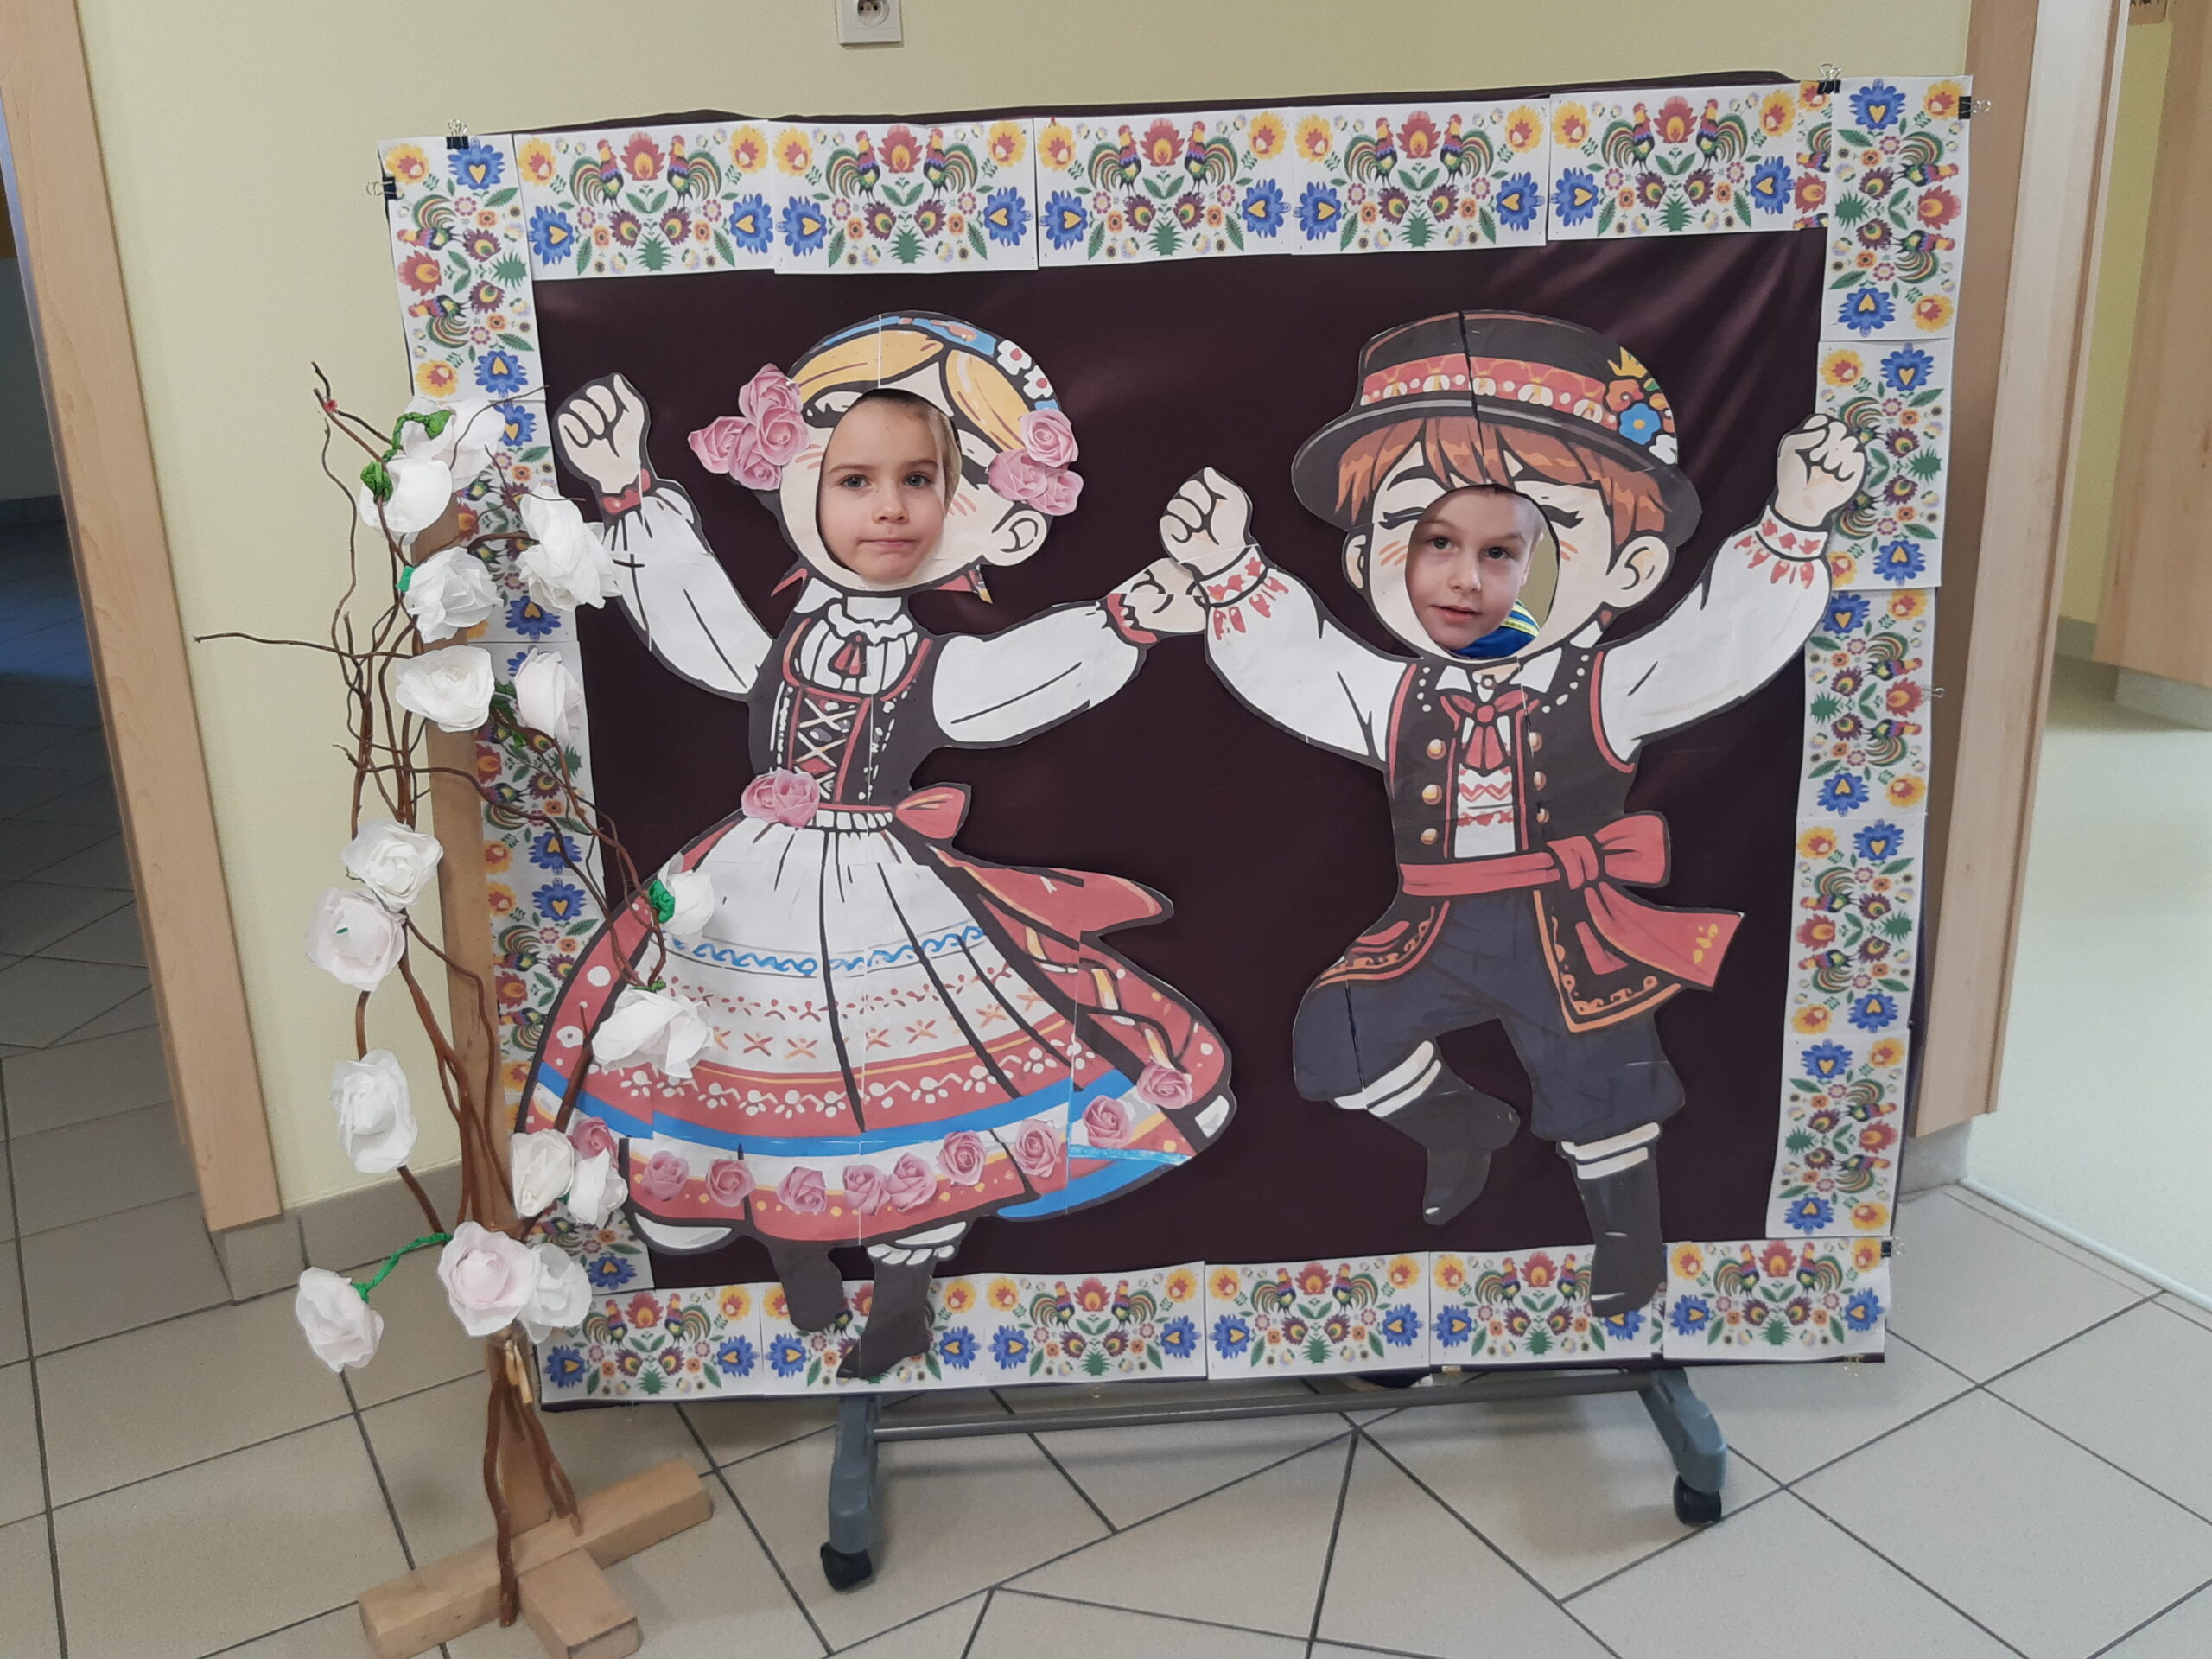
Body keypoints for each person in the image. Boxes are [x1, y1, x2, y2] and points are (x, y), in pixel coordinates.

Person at [521, 313, 1236, 1378]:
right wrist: (628, 488)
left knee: (899, 1088)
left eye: (920, 480)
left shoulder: (932, 666)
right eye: (854, 480)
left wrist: (1122, 619)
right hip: (744, 889)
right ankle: (794, 1248)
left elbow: (1011, 684)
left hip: (883, 894)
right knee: (747, 1076)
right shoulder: (776, 648)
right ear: (795, 481)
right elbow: (696, 622)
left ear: (979, 511)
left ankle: (902, 1288)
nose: (889, 507)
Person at [1160, 311, 1865, 1314]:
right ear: (1366, 561)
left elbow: (1718, 642)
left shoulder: (1608, 687)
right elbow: (1299, 665)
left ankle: (1625, 1237)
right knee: (1336, 1034)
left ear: (1627, 572)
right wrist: (1230, 570)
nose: (1467, 577)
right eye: (1432, 537)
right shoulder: (1392, 694)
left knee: (1602, 1079)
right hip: (1431, 924)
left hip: (1565, 928)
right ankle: (1458, 1124)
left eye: (1519, 546)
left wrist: (1794, 523)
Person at [1402, 485, 1545, 661]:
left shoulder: (1523, 647)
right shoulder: (1368, 628)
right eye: (1440, 543)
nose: (1467, 581)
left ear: (1528, 563)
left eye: (1496, 553)